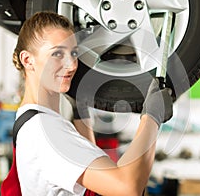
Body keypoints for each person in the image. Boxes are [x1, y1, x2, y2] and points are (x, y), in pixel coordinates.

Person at [11, 11, 173, 196]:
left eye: (73, 53)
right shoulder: (44, 131)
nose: (72, 65)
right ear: (27, 60)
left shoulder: (32, 122)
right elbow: (127, 188)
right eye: (57, 53)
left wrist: (81, 112)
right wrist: (152, 118)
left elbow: (89, 176)